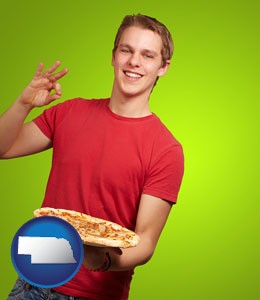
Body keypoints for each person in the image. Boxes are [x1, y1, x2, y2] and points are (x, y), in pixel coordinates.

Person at [1, 14, 184, 300]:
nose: (134, 62)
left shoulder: (166, 149)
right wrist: (24, 103)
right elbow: (3, 148)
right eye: (127, 50)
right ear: (114, 56)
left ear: (163, 67)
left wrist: (104, 261)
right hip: (32, 281)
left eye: (147, 55)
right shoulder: (70, 112)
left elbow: (146, 241)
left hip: (94, 293)